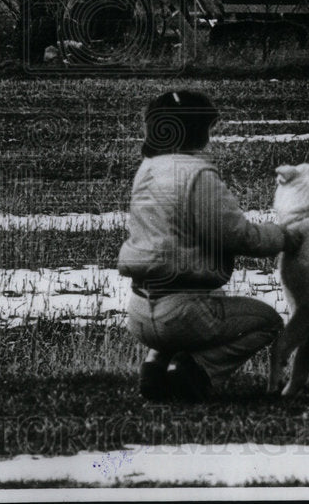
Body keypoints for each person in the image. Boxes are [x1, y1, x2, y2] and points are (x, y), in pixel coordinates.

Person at [117, 90, 295, 402]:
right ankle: (196, 376)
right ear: (195, 131)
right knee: (268, 322)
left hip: (139, 311)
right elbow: (239, 236)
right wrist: (285, 236)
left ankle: (154, 370)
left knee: (209, 293)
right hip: (179, 315)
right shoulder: (196, 173)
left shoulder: (147, 169)